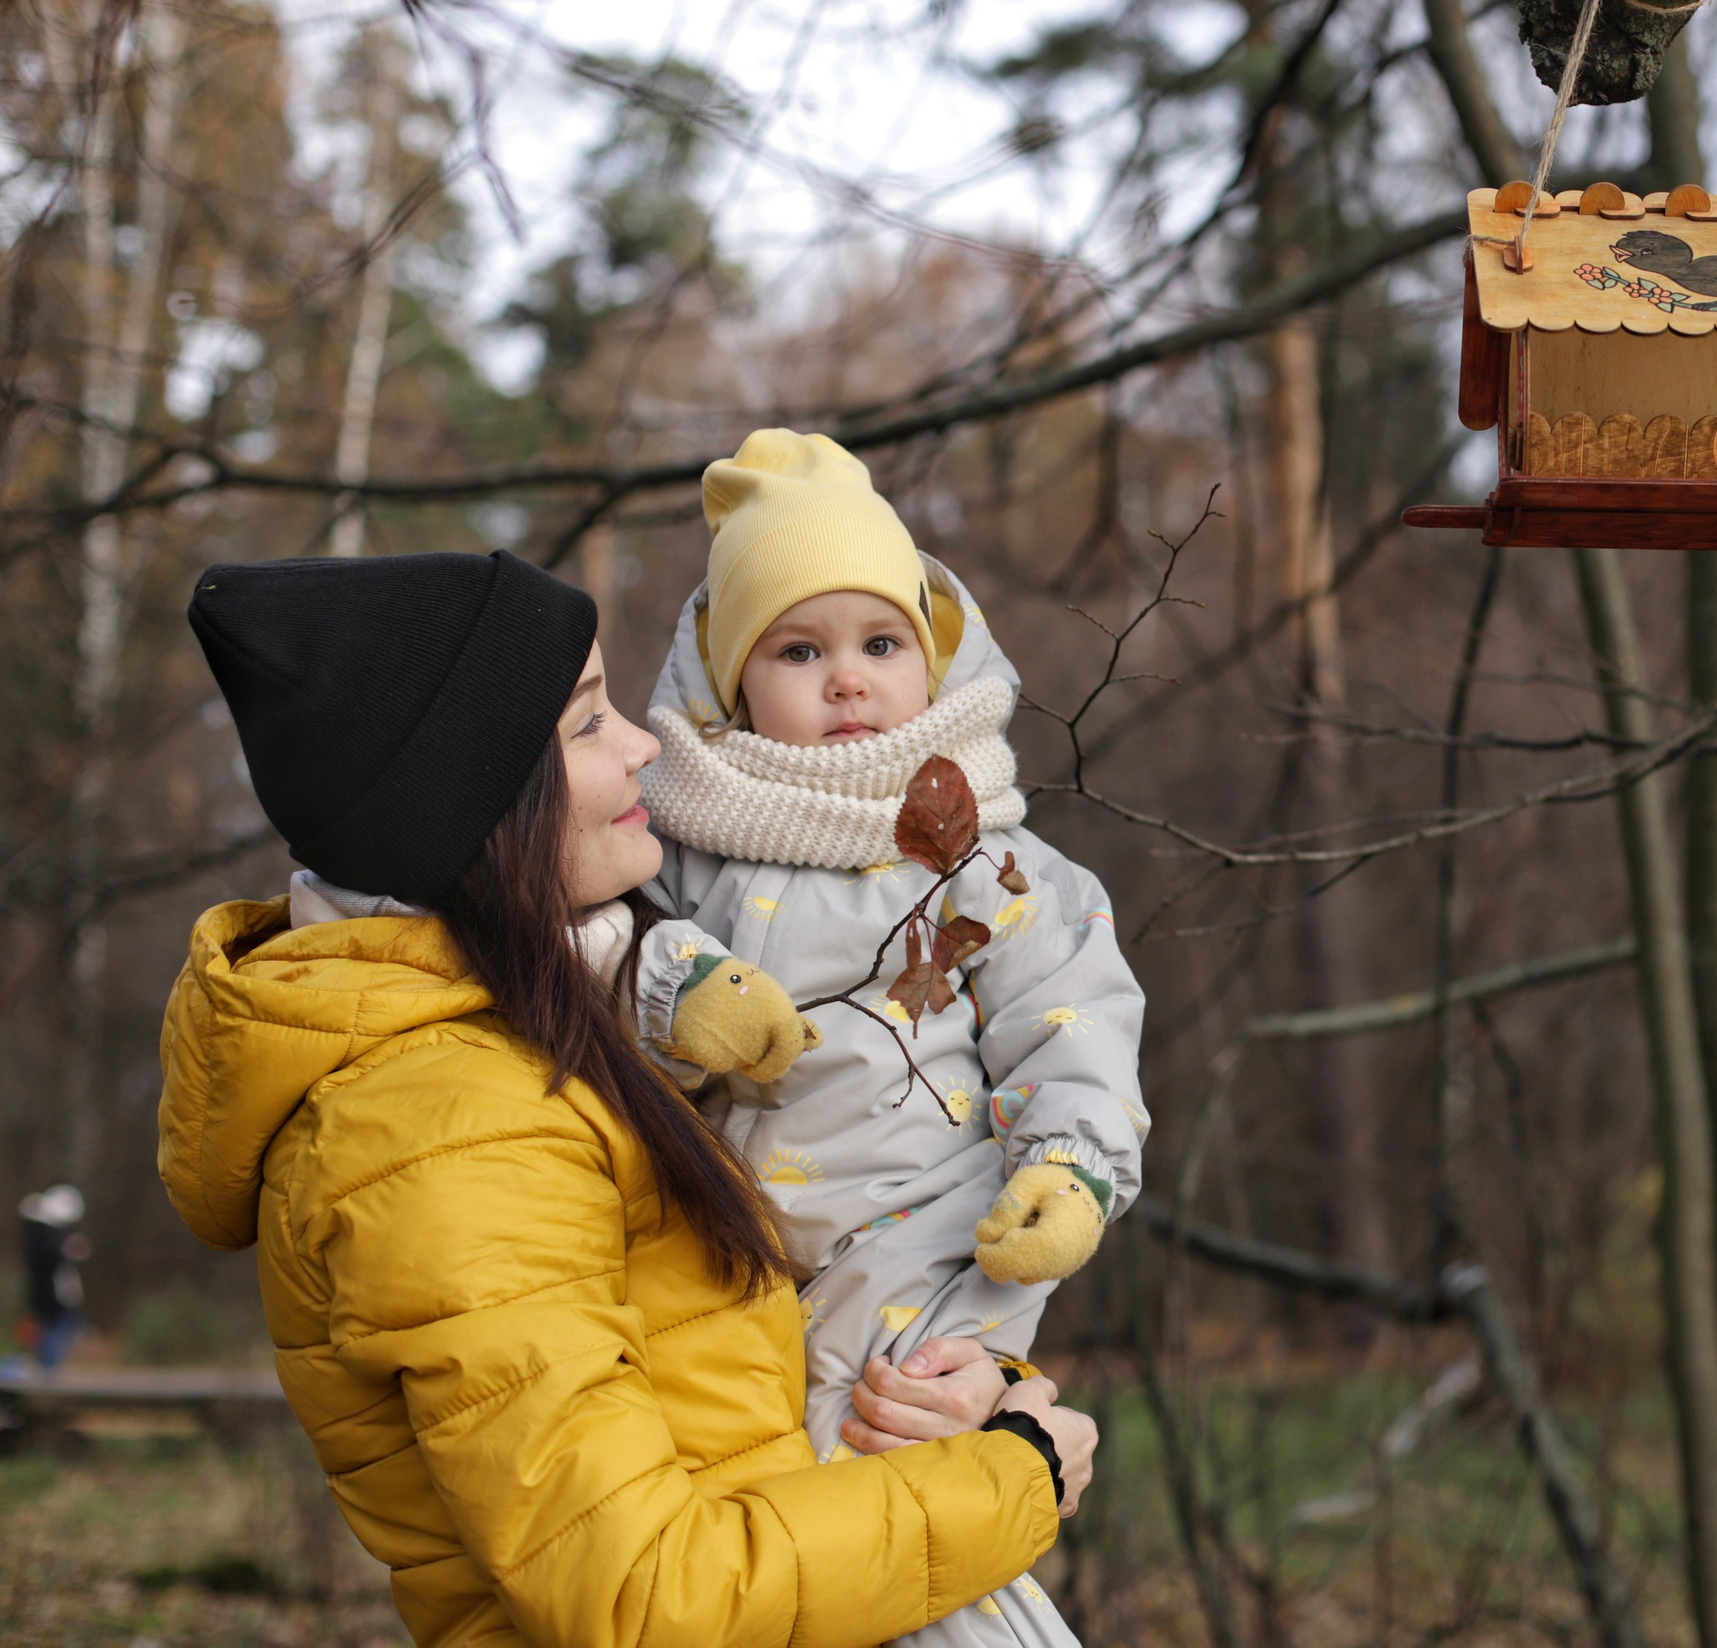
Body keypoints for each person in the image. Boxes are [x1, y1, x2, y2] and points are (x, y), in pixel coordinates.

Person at [161, 549, 1091, 1648]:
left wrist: (949, 1388)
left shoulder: (547, 1028)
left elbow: (720, 1394)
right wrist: (1012, 1478)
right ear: (478, 801)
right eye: (591, 722)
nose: (647, 743)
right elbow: (643, 1599)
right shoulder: (444, 1137)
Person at [626, 431, 1147, 1648]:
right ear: (730, 682)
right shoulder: (683, 845)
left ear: (935, 656)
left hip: (924, 1229)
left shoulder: (994, 861)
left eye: (880, 644)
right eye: (798, 651)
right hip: (732, 1249)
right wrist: (671, 991)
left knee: (883, 1457)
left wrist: (1069, 1171)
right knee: (815, 1511)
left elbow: (1072, 1025)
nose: (847, 681)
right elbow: (598, 962)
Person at [15, 1184, 87, 1372]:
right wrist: (70, 1251)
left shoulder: (39, 1237)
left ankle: (46, 1368)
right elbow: (53, 1262)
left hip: (46, 1295)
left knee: (50, 1330)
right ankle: (48, 1370)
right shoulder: (45, 1237)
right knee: (54, 1331)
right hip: (51, 1297)